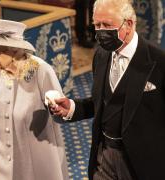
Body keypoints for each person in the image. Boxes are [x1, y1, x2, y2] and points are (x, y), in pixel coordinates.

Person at [50, 0, 165, 179]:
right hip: (104, 155)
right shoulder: (101, 55)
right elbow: (103, 102)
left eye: (107, 25)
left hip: (142, 162)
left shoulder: (159, 61)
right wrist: (72, 107)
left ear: (129, 24)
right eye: (97, 25)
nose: (101, 32)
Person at [0, 19, 69, 180]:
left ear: (14, 50)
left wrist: (55, 106)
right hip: (1, 162)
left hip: (36, 162)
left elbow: (62, 115)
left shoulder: (41, 70)